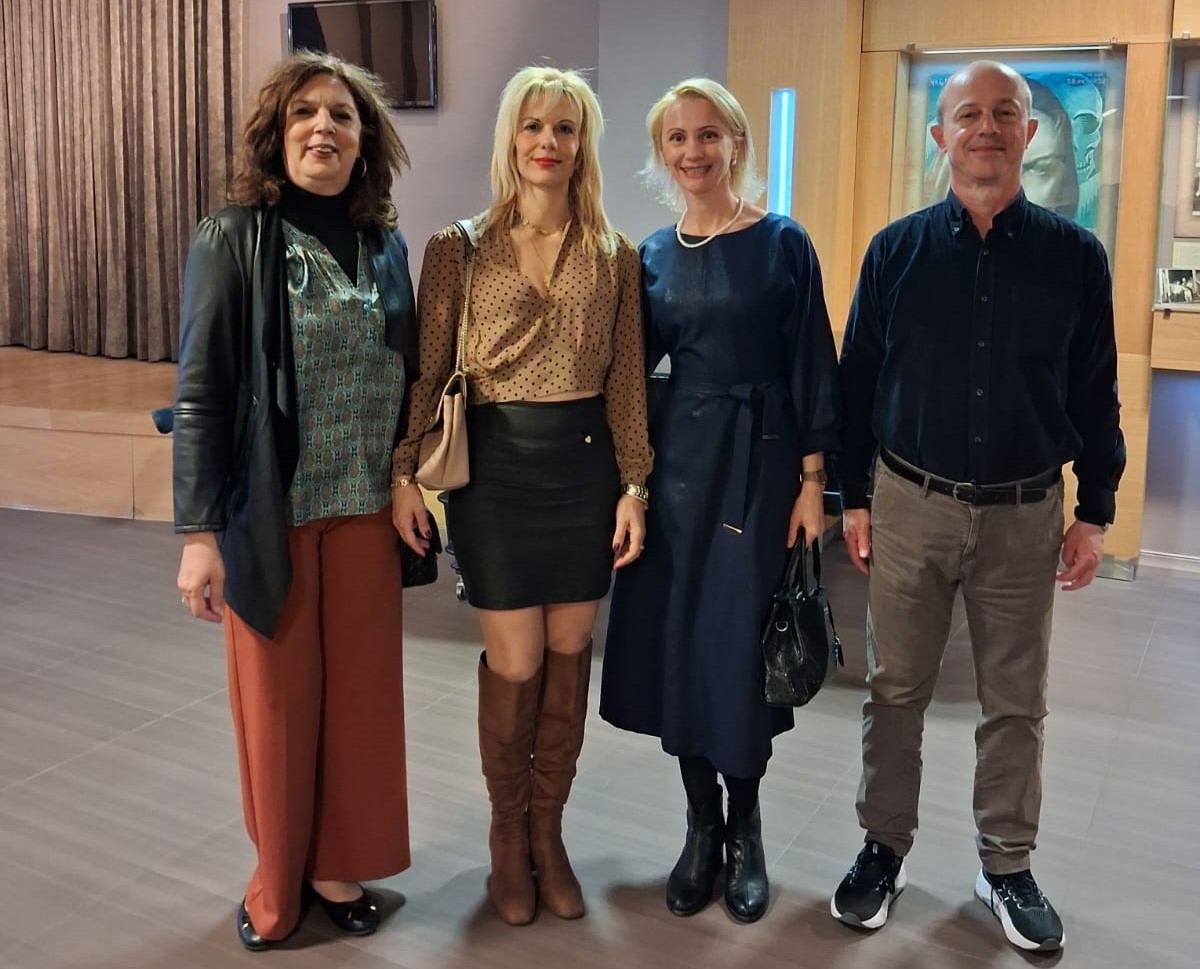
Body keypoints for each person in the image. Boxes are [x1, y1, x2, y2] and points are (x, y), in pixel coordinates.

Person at [833, 60, 1125, 952]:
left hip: (1024, 514)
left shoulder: (1076, 259)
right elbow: (856, 383)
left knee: (1015, 703)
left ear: (1029, 133)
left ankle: (1006, 865)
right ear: (942, 135)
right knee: (894, 690)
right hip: (909, 502)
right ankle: (883, 848)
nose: (986, 128)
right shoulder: (895, 252)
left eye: (1004, 113)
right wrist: (852, 497)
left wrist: (1095, 510)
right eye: (968, 114)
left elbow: (1095, 391)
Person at [390, 65, 651, 926]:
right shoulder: (458, 248)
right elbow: (428, 370)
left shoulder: (615, 254)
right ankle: (508, 832)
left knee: (570, 654)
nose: (548, 142)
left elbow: (625, 382)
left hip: (584, 474)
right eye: (533, 125)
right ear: (510, 137)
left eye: (564, 128)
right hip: (495, 476)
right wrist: (403, 472)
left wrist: (635, 485)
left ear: (583, 144)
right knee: (518, 661)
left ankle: (548, 832)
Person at [172, 51, 417, 950]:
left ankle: (334, 866)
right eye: (305, 113)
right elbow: (201, 389)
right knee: (277, 709)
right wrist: (199, 532)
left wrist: (407, 479)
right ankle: (276, 883)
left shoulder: (385, 244)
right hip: (270, 513)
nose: (324, 127)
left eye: (342, 115)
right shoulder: (231, 236)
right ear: (277, 136)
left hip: (365, 511)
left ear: (364, 141)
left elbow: (410, 373)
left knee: (357, 705)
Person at [600, 78, 841, 924]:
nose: (693, 151)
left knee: (740, 648)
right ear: (661, 153)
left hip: (762, 467)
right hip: (678, 472)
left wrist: (813, 483)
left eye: (708, 134)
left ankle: (747, 828)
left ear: (736, 142)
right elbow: (629, 380)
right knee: (681, 643)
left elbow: (812, 364)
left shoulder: (783, 243)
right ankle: (700, 826)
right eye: (677, 138)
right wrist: (631, 486)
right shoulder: (650, 256)